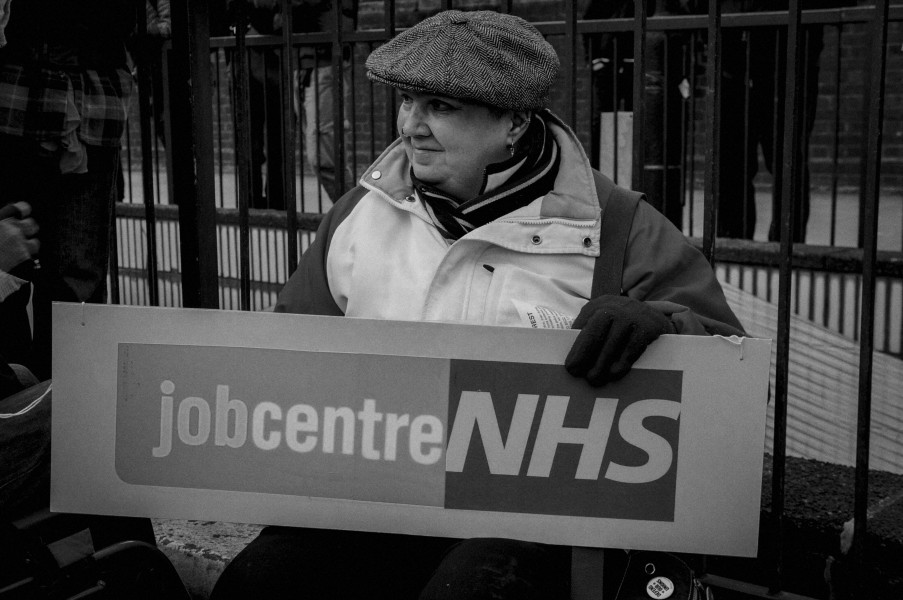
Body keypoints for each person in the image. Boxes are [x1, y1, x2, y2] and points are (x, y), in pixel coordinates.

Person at [210, 10, 744, 600]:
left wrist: (665, 329)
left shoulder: (618, 225)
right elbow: (293, 351)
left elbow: (731, 377)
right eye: (407, 101)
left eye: (439, 107)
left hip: (540, 519)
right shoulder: (358, 214)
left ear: (513, 121)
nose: (411, 125)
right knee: (256, 584)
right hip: (380, 499)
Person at [0, 0, 135, 381]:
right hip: (20, 79)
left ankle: (67, 403)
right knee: (15, 267)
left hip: (89, 80)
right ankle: (34, 402)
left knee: (76, 286)